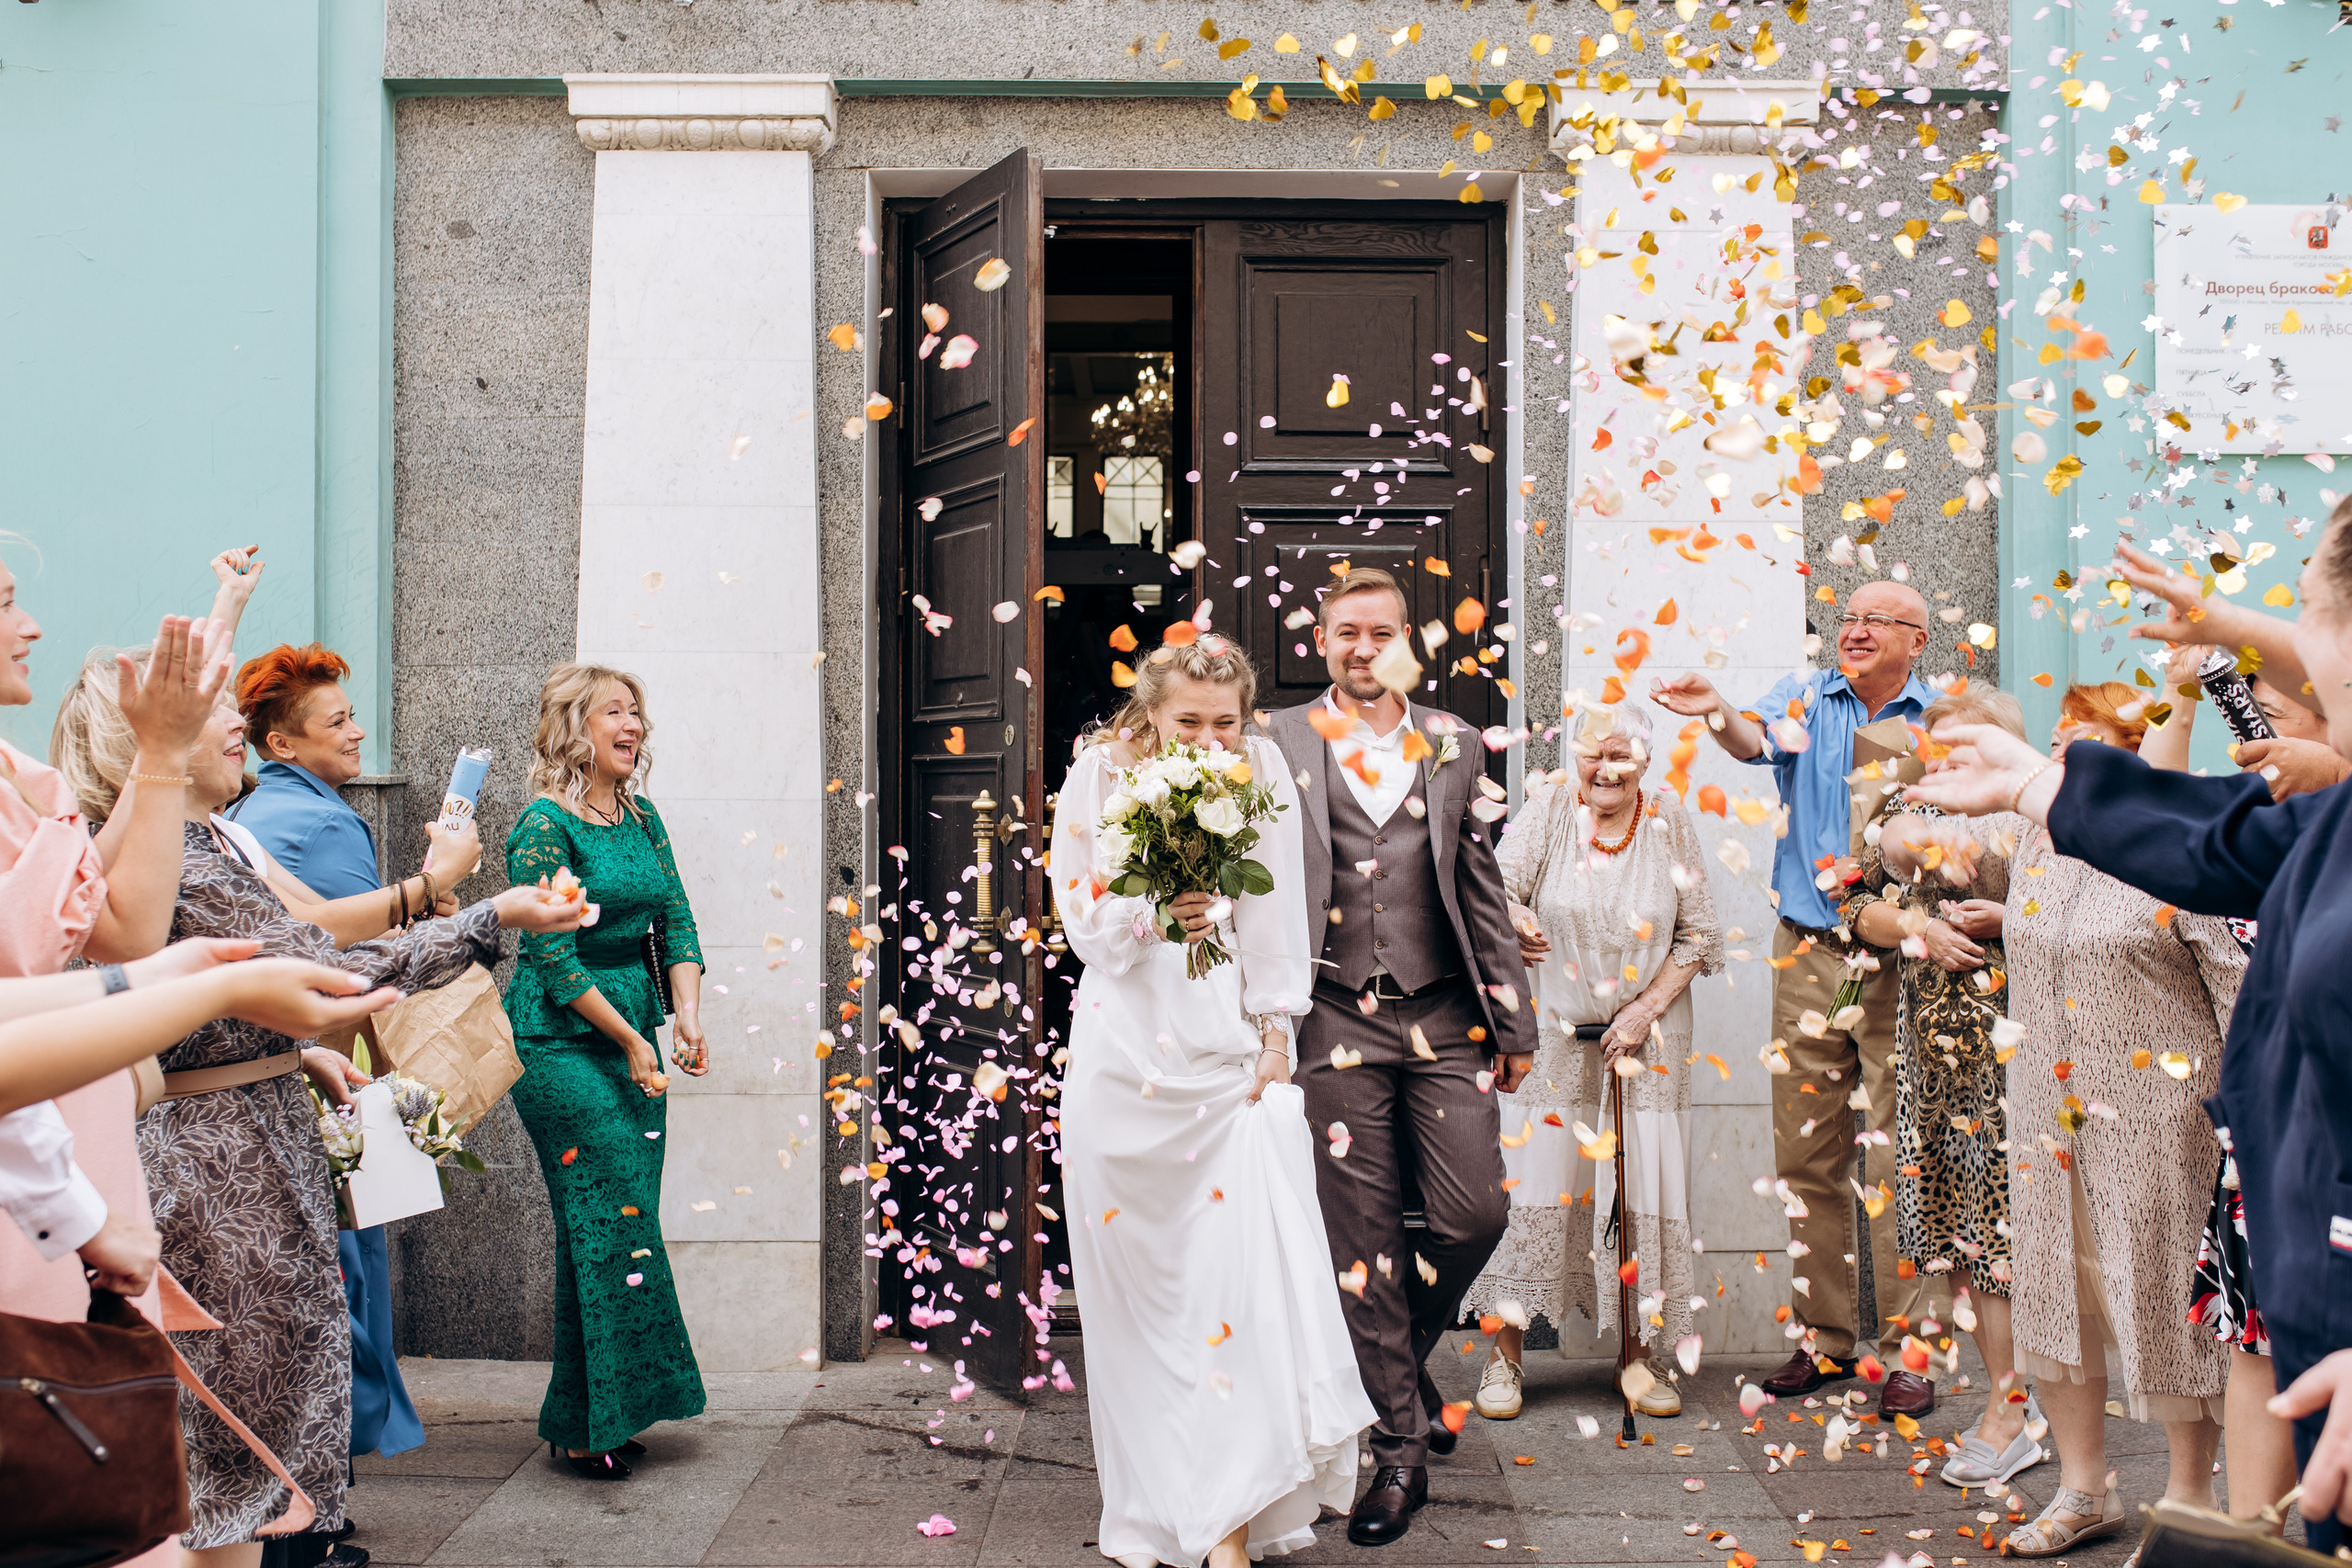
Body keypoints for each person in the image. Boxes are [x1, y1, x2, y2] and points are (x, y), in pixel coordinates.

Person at [51, 666, 586, 1568]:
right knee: (234, 1475)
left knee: (251, 1465)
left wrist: (293, 1055)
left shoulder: (208, 841)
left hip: (254, 1152)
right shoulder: (174, 850)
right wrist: (491, 916)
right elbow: (318, 973)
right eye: (215, 712)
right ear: (154, 741)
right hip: (222, 1182)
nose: (237, 727)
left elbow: (252, 990)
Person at [1885, 682, 2245, 1557]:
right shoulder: (2038, 840)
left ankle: (2190, 1500)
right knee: (2056, 1299)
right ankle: (2087, 1488)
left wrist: (2252, 1116)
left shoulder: (2179, 850)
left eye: (2082, 738)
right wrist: (1912, 808)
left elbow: (2239, 986)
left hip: (2164, 1119)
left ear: (2135, 752)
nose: (2060, 752)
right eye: (2059, 737)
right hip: (2046, 1116)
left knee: (2165, 1304)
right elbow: (1909, 850)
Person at [1049, 634, 1373, 1568]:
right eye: (1187, 721)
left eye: (1223, 723)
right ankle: (1157, 1510)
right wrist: (1159, 911)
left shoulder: (1262, 766)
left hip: (1228, 1061)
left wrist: (1278, 1036)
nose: (1207, 738)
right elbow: (1083, 921)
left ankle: (1230, 1520)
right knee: (1144, 1307)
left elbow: (1279, 914)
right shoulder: (1098, 774)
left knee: (1236, 1291)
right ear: (1150, 711)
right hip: (1124, 1061)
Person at [1261, 567, 1536, 1548]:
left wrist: (1515, 1025)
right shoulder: (1272, 740)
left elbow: (1479, 886)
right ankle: (1398, 1451)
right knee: (1361, 1238)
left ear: (1408, 643)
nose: (1361, 646)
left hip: (1443, 1015)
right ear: (1321, 641)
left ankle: (1401, 1352)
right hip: (1330, 1019)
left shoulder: (1454, 740)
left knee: (1474, 1214)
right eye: (1345, 632)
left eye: (1380, 632)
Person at [1650, 581, 1942, 1416]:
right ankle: (1824, 1340)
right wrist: (1715, 709)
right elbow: (1750, 741)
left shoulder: (1943, 718)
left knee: (1899, 1158)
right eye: (1847, 617)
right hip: (1808, 948)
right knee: (1806, 1154)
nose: (1854, 630)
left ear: (1916, 640)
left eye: (1875, 621)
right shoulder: (1806, 698)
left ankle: (1910, 1350)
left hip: (1905, 961)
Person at [1461, 701, 1722, 1423]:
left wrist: (1644, 1010)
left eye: (1621, 756)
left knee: (1639, 1196)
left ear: (1646, 759)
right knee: (1535, 1187)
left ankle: (1639, 1358)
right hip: (1551, 1035)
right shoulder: (1549, 807)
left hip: (1646, 1041)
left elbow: (1699, 935)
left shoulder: (1667, 819)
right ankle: (1505, 1358)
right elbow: (1494, 888)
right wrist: (1514, 922)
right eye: (1592, 754)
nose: (1604, 769)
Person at [230, 641, 447, 1472]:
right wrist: (437, 907)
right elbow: (356, 953)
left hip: (278, 1067)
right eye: (339, 719)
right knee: (347, 1273)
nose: (358, 732)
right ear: (281, 743)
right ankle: (331, 1476)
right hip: (323, 1068)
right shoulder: (323, 819)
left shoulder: (251, 817)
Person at [503, 663, 710, 1480]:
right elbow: (551, 956)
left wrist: (685, 1014)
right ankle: (591, 1424)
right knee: (607, 1216)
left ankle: (590, 1413)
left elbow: (677, 919)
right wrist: (630, 1040)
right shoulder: (543, 826)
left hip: (638, 1037)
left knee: (613, 1222)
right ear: (574, 730)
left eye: (637, 711)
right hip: (560, 1045)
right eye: (614, 712)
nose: (634, 725)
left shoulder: (643, 816)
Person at [1843, 687, 2041, 1488]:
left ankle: (2013, 1406)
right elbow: (1854, 901)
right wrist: (1915, 926)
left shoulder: (2036, 810)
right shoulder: (1905, 805)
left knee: (2007, 1239)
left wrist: (2014, 915)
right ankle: (2016, 1399)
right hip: (1931, 1050)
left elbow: (2088, 905)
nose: (1953, 753)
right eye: (1944, 741)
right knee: (1963, 1235)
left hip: (2020, 1050)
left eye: (1973, 740)